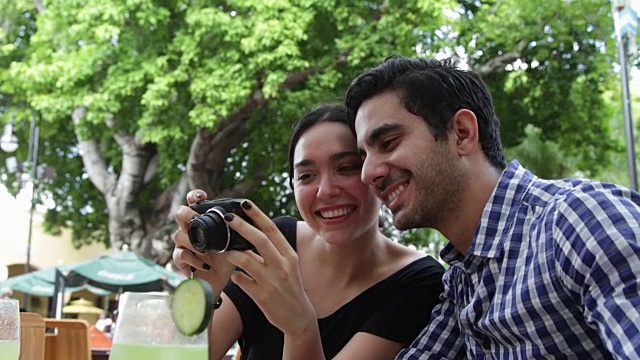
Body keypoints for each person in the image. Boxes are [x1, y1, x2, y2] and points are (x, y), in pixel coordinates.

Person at [343, 55, 640, 359]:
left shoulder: (576, 220)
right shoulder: (462, 283)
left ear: (462, 133)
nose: (368, 174)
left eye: (389, 142)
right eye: (363, 156)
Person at [172, 104, 445, 359]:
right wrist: (205, 290)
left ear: (374, 171)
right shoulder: (274, 244)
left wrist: (299, 327)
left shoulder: (420, 283)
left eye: (346, 168)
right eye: (306, 176)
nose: (326, 191)